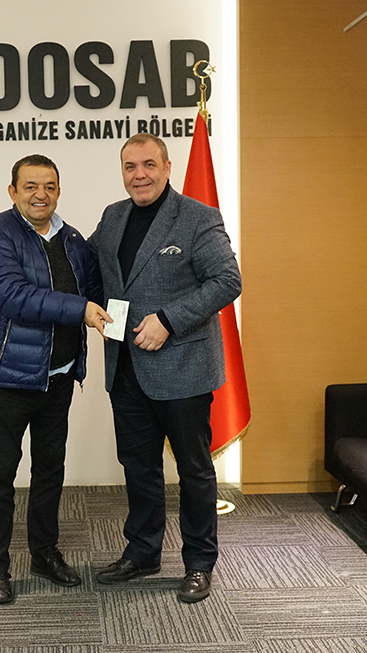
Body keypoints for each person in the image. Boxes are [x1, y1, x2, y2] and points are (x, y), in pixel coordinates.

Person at [88, 133, 242, 603]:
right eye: (130, 166)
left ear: (167, 167)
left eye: (149, 165)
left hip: (183, 368)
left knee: (194, 470)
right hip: (125, 367)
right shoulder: (112, 217)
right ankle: (142, 553)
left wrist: (169, 321)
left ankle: (199, 563)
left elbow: (227, 280)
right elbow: (91, 269)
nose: (140, 175)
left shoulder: (197, 217)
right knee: (139, 467)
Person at [0, 153, 111, 604]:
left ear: (58, 191)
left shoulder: (72, 239)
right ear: (12, 191)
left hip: (59, 377)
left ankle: (44, 553)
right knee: (1, 475)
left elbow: (98, 291)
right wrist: (81, 309)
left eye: (49, 186)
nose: (40, 194)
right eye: (30, 186)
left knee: (50, 470)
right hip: (9, 378)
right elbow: (13, 296)